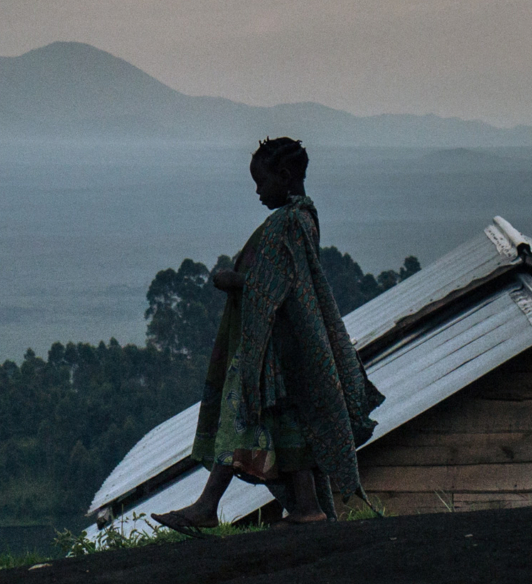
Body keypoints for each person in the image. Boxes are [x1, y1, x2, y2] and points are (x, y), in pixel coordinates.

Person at [159, 136, 381, 528]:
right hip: (281, 347)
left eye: (261, 183)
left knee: (242, 418)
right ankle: (304, 508)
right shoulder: (302, 218)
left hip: (274, 350)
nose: (258, 192)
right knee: (285, 427)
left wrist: (233, 281)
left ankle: (209, 507)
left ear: (284, 175)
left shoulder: (291, 222)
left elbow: (281, 286)